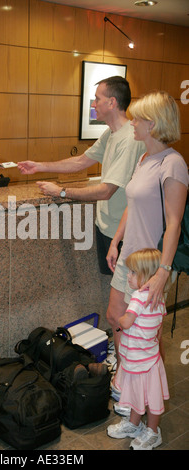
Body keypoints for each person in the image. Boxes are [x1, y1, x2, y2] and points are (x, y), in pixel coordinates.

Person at [18, 76, 145, 275]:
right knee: (112, 288)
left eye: (97, 99)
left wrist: (61, 192)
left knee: (124, 291)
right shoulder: (110, 133)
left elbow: (106, 191)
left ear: (112, 102)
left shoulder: (129, 139)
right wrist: (39, 166)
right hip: (106, 226)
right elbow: (81, 161)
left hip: (121, 232)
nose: (93, 104)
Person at [106, 91, 188, 393]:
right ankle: (126, 379)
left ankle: (147, 393)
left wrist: (162, 272)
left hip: (152, 264)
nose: (133, 124)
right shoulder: (145, 158)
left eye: (138, 118)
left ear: (153, 123)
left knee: (147, 335)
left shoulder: (173, 164)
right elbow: (132, 203)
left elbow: (174, 223)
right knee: (116, 317)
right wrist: (116, 241)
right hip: (129, 255)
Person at [107, 248, 170, 450]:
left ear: (147, 276)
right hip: (148, 359)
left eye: (133, 272)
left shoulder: (138, 297)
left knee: (148, 399)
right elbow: (158, 327)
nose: (128, 275)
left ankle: (153, 433)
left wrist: (119, 320)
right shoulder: (159, 298)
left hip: (139, 360)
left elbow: (126, 322)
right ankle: (135, 425)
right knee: (143, 396)